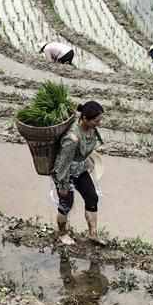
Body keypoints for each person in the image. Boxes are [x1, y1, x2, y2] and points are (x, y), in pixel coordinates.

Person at [53, 101, 105, 246]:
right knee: (66, 204)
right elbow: (63, 164)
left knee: (92, 198)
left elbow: (86, 148)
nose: (100, 123)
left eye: (100, 119)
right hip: (65, 173)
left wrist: (88, 159)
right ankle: (62, 234)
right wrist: (62, 185)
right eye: (97, 120)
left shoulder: (91, 129)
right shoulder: (72, 138)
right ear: (85, 119)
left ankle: (93, 234)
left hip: (80, 168)